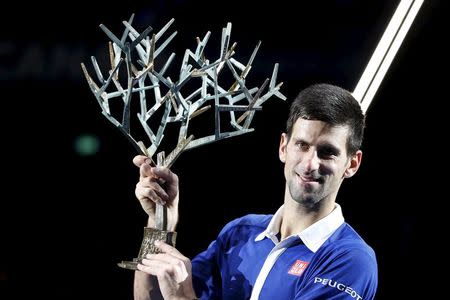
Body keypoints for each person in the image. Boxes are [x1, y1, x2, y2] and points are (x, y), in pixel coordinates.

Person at [132, 83, 378, 300]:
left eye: (327, 152)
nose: (310, 163)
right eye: (302, 145)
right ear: (284, 147)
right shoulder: (240, 233)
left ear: (352, 164)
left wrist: (181, 298)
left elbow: (177, 296)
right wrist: (159, 222)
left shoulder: (349, 260)